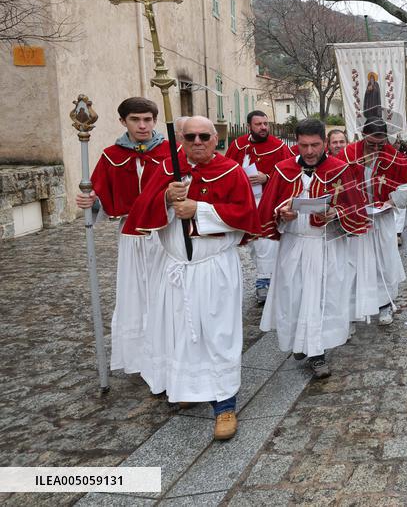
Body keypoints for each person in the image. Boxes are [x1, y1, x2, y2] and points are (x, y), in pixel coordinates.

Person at [124, 116, 259, 440]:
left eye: (203, 136)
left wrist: (199, 208)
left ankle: (224, 405)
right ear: (180, 140)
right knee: (179, 333)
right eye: (190, 137)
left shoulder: (231, 171)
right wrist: (167, 200)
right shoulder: (168, 170)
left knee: (217, 336)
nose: (197, 142)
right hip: (177, 270)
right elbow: (142, 212)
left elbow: (245, 216)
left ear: (215, 139)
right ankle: (188, 387)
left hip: (213, 269)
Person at [258, 119, 369, 379]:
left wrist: (335, 213)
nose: (309, 151)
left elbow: (356, 210)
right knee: (294, 298)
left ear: (325, 143)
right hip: (294, 244)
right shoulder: (283, 169)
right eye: (303, 145)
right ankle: (301, 343)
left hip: (326, 246)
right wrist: (281, 215)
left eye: (315, 145)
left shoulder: (341, 170)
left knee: (321, 301)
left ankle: (317, 353)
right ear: (297, 142)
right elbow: (267, 211)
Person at [75, 97, 174, 378]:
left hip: (165, 231)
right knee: (135, 294)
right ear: (123, 122)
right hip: (131, 233)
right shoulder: (111, 156)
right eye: (135, 120)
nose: (142, 125)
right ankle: (141, 358)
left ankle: (168, 355)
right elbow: (100, 196)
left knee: (165, 293)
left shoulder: (172, 153)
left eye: (147, 119)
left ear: (155, 121)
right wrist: (90, 201)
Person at [340, 118, 407, 325]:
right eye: (371, 143)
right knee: (353, 264)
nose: (375, 148)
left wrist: (392, 200)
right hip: (355, 219)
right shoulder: (347, 155)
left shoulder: (396, 157)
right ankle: (352, 311)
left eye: (380, 144)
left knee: (383, 261)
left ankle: (384, 305)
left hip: (381, 218)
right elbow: (334, 182)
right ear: (363, 136)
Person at [225, 111, 293, 305]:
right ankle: (267, 276)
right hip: (245, 200)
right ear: (249, 126)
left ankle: (264, 281)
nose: (263, 127)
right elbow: (226, 169)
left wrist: (267, 178)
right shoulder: (238, 146)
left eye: (265, 123)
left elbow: (288, 173)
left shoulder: (279, 147)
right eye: (258, 124)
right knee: (253, 243)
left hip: (267, 200)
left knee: (266, 241)